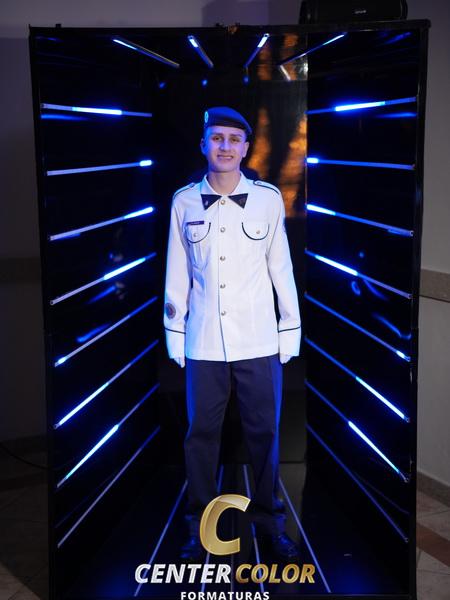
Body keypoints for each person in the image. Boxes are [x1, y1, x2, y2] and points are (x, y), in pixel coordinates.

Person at [163, 106, 301, 561]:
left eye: (233, 139)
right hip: (203, 340)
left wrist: (289, 329)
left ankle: (270, 523)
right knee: (201, 436)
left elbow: (281, 268)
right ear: (203, 144)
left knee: (265, 435)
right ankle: (200, 526)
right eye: (217, 138)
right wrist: (175, 332)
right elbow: (177, 272)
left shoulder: (267, 199)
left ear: (245, 148)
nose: (225, 146)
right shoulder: (184, 201)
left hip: (259, 340)